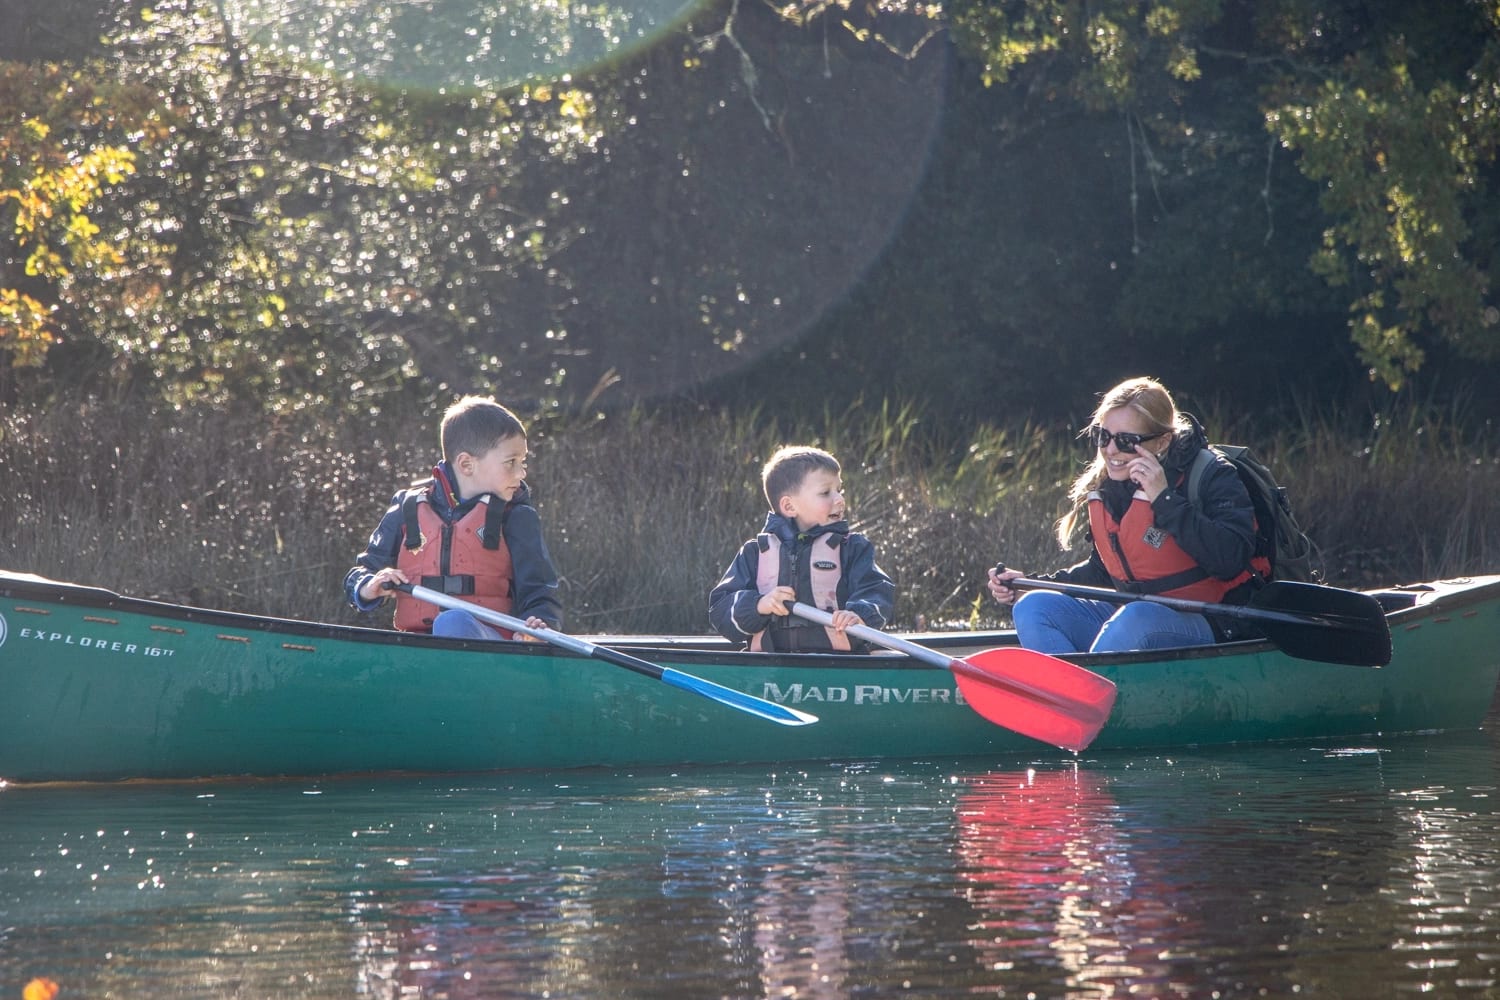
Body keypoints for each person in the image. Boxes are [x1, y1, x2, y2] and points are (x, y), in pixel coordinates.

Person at [987, 376, 1263, 654]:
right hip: (1132, 617)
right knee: (1033, 606)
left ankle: (1090, 693)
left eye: (1126, 441)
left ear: (1162, 441)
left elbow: (1229, 559)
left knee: (1136, 619)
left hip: (1216, 623)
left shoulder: (1214, 475)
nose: (1110, 450)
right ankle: (1072, 693)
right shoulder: (1114, 485)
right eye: (1103, 436)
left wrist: (1164, 499)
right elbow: (1104, 573)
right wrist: (1028, 584)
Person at [344, 395, 562, 640]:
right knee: (439, 629)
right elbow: (361, 573)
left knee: (452, 622)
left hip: (492, 645)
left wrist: (537, 626)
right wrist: (368, 585)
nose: (521, 473)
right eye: (510, 462)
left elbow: (540, 593)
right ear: (466, 464)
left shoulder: (516, 516)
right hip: (421, 645)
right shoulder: (406, 508)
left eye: (523, 462)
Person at [709, 445, 894, 652]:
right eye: (826, 493)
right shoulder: (754, 553)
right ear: (789, 507)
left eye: (839, 491)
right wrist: (759, 605)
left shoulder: (852, 548)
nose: (840, 499)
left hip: (841, 664)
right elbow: (720, 611)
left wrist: (860, 614)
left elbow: (876, 590)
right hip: (769, 667)